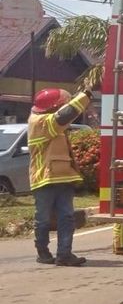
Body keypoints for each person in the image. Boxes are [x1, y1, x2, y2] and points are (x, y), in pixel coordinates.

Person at [28, 87, 92, 266]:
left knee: (67, 218)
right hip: (45, 179)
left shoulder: (53, 124)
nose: (65, 107)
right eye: (63, 104)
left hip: (63, 178)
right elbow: (64, 115)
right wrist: (85, 96)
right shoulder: (39, 122)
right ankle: (43, 252)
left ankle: (64, 254)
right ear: (53, 106)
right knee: (44, 219)